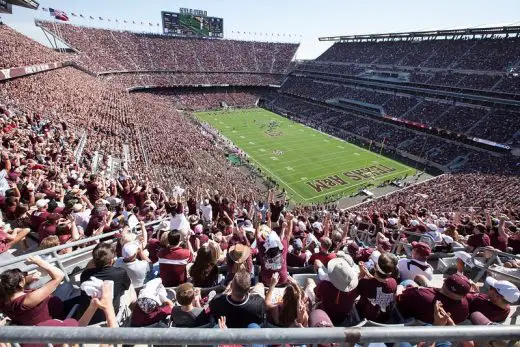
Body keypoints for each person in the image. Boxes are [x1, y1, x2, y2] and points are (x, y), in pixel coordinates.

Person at [0, 256, 66, 326]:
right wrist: (39, 261)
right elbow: (60, 275)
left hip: (35, 324)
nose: (25, 276)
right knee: (66, 286)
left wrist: (27, 279)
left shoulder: (4, 300)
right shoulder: (27, 300)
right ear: (21, 283)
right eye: (24, 275)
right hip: (58, 317)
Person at [77, 242, 131, 324]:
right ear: (112, 260)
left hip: (86, 320)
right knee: (130, 288)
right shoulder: (120, 272)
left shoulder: (85, 274)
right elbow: (126, 287)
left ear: (93, 260)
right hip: (109, 317)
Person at [396, 273, 471, 324]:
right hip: (437, 328)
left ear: (444, 282)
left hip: (416, 323)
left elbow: (399, 299)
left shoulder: (421, 295)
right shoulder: (465, 304)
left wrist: (400, 287)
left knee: (407, 282)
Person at [314, 257, 358, 325]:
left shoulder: (324, 285)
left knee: (310, 283)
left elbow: (317, 297)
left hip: (325, 318)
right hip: (342, 321)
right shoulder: (354, 289)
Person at [357, 252, 398, 323]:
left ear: (375, 267)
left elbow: (356, 287)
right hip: (384, 319)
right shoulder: (393, 282)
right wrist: (368, 274)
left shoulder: (364, 283)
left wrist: (361, 273)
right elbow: (379, 284)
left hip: (365, 318)